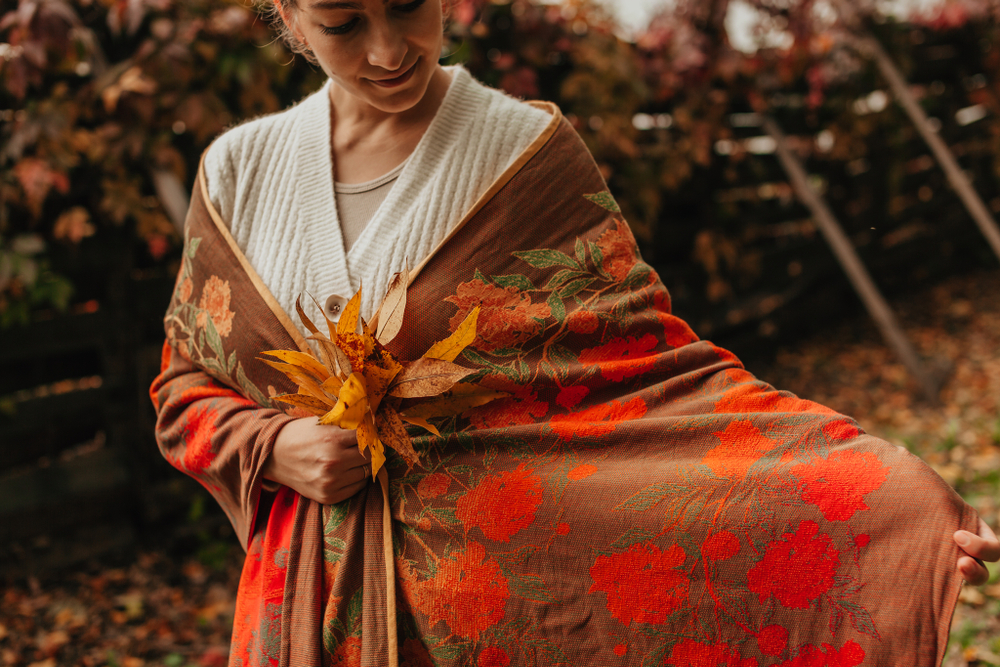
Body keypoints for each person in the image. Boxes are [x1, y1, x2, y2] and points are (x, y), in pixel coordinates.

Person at [150, 0, 1000, 665]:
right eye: (341, 22)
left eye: (408, 6)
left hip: (502, 610)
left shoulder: (524, 152)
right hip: (304, 600)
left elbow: (661, 374)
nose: (388, 48)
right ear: (291, 21)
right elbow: (184, 385)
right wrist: (275, 442)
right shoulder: (239, 174)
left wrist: (890, 513)